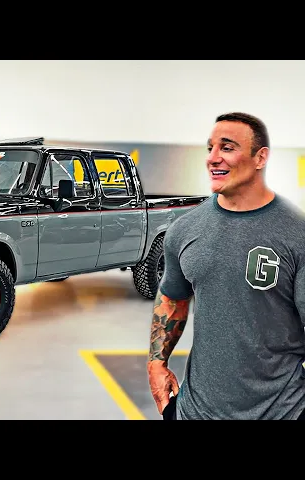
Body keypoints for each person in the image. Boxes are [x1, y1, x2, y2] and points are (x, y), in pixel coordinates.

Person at [147, 111, 305, 420]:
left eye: (227, 147)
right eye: (210, 148)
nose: (213, 158)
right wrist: (156, 364)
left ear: (260, 158)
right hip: (195, 411)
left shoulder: (296, 233)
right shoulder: (185, 230)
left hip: (281, 411)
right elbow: (172, 298)